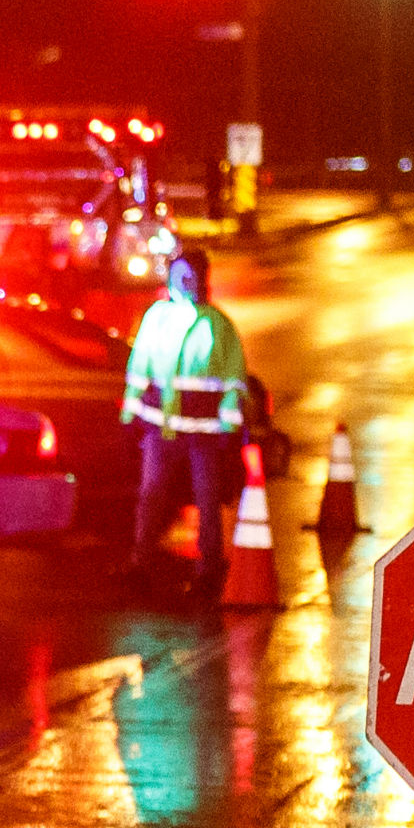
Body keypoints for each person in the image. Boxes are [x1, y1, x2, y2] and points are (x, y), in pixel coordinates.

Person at [120, 247, 253, 597]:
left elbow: (234, 381)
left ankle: (209, 568)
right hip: (161, 431)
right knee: (150, 496)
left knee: (207, 500)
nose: (183, 283)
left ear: (202, 280)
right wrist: (130, 414)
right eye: (178, 276)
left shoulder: (218, 326)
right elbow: (139, 365)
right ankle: (140, 563)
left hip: (202, 435)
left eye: (189, 276)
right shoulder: (157, 318)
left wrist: (228, 427)